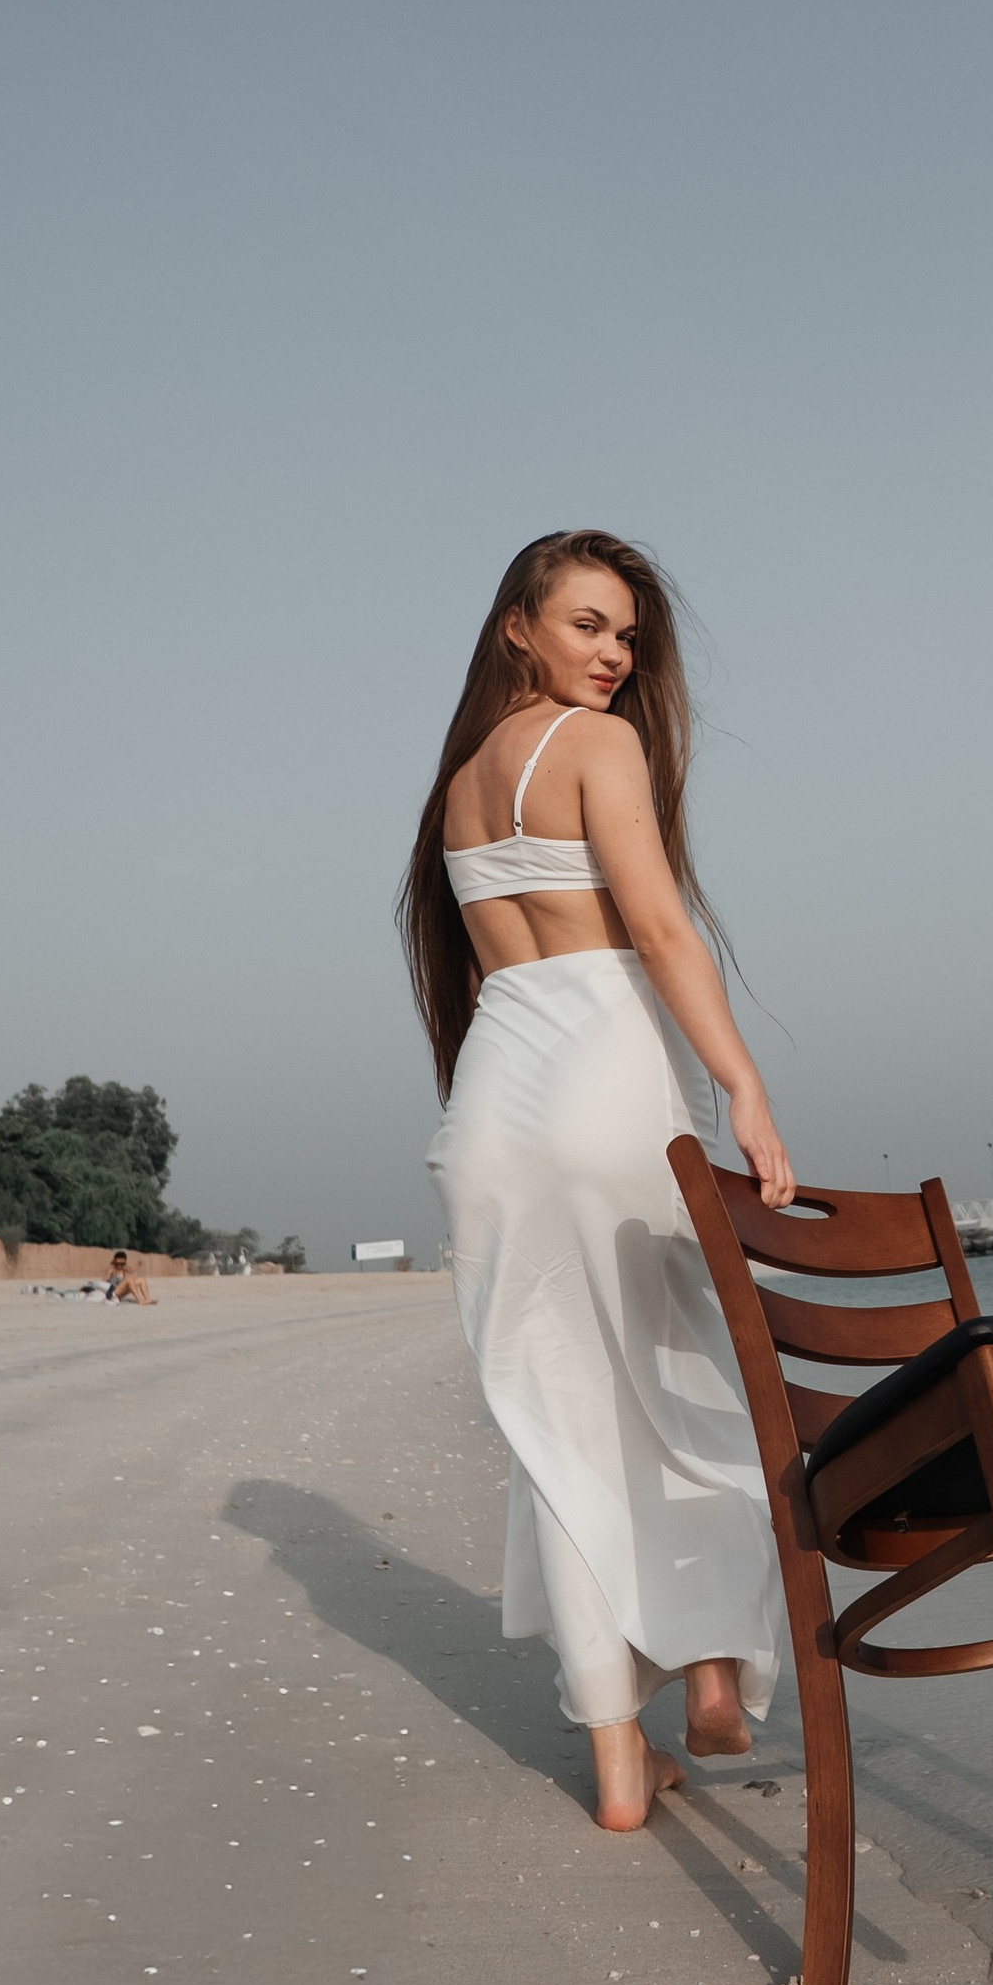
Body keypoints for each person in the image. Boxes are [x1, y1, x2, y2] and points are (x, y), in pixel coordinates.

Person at [401, 532, 793, 1833]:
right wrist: (743, 1084)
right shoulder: (597, 750)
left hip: (491, 1111)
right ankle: (716, 1669)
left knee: (558, 1431)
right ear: (518, 626)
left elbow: (470, 978)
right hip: (601, 1077)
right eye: (586, 625)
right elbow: (661, 926)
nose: (614, 655)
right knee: (687, 1372)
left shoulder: (459, 787)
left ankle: (622, 1767)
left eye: (626, 634)